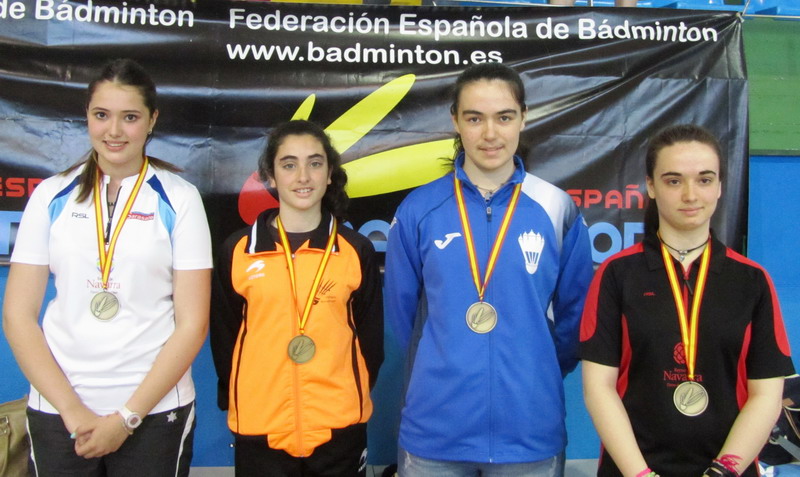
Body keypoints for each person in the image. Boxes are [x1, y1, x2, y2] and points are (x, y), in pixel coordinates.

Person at [2, 58, 212, 476]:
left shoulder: (180, 199)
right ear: (87, 117)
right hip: (60, 410)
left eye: (129, 117)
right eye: (102, 115)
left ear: (152, 120)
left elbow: (193, 323)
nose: (114, 131)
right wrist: (72, 411)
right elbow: (18, 316)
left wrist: (128, 417)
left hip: (153, 413)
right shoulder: (50, 195)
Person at [384, 62, 593, 476]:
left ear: (524, 119)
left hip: (529, 431)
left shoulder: (556, 209)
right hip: (435, 431)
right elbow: (399, 322)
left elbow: (577, 319)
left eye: (504, 117)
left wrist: (531, 364)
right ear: (455, 122)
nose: (490, 133)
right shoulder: (419, 209)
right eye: (474, 118)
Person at [580, 124, 794, 477]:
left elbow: (766, 395)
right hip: (634, 471)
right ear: (651, 186)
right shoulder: (617, 275)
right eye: (674, 180)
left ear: (721, 186)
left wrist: (723, 471)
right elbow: (598, 389)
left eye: (705, 179)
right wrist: (640, 474)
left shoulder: (752, 281)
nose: (691, 195)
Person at [211, 119, 384, 477]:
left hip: (339, 426)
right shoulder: (239, 250)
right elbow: (225, 338)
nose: (303, 176)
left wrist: (350, 396)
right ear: (270, 176)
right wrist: (241, 401)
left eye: (315, 163)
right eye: (289, 164)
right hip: (261, 427)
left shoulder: (355, 249)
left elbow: (370, 342)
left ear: (330, 173)